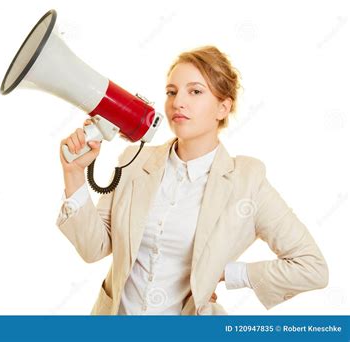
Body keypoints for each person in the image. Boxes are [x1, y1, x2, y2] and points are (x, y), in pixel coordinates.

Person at [56, 46, 329, 315]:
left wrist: (227, 273)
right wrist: (74, 173)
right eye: (171, 92)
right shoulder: (134, 162)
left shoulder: (247, 182)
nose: (178, 102)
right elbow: (94, 248)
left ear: (223, 107)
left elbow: (311, 267)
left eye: (195, 91)